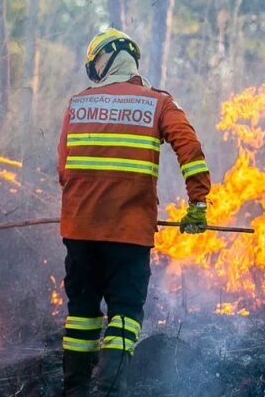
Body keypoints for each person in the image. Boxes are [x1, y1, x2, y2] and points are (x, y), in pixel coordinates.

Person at [57, 28, 211, 395]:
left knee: (81, 312)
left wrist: (86, 204)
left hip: (79, 229)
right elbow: (189, 148)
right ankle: (110, 389)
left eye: (94, 61)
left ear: (106, 58)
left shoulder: (77, 104)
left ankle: (75, 389)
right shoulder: (157, 103)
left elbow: (64, 169)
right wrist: (198, 203)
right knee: (125, 313)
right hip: (129, 233)